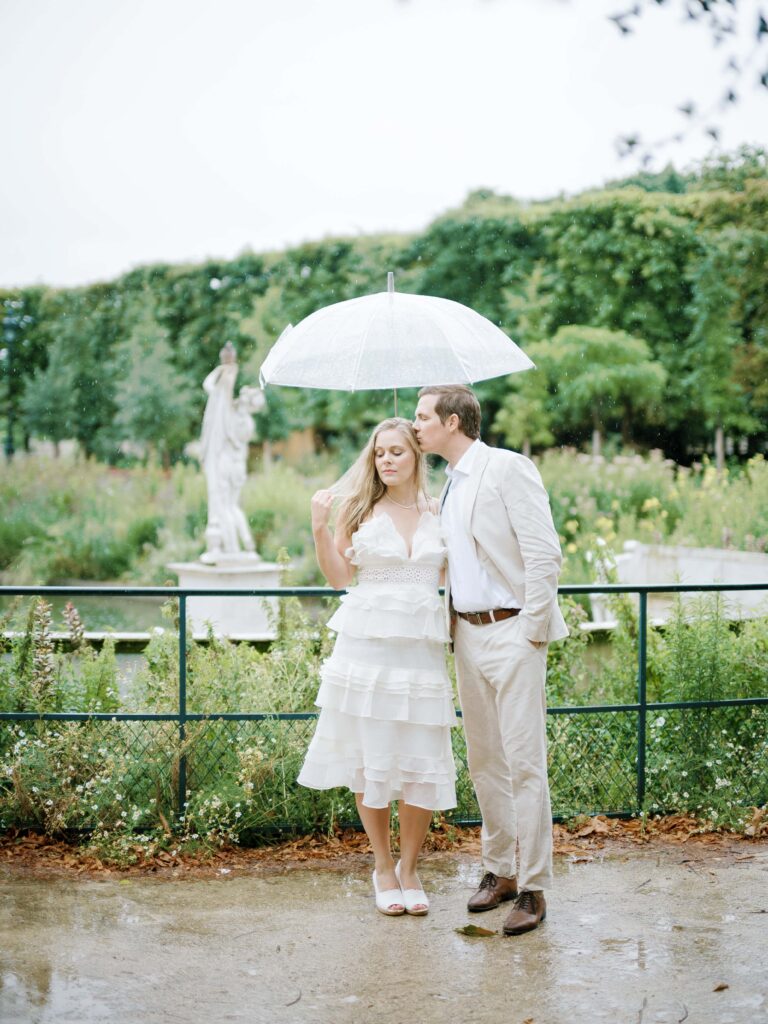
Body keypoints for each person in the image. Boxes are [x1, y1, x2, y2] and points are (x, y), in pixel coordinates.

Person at [413, 385, 567, 936]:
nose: (416, 426)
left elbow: (543, 552)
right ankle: (498, 871)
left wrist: (532, 629)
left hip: (514, 632)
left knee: (526, 763)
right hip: (468, 637)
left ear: (453, 422)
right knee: (485, 763)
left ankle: (533, 886)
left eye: (423, 417)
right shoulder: (450, 486)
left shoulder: (507, 469)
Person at [298, 417, 457, 916]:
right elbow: (339, 577)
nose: (386, 460)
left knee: (421, 761)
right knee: (373, 758)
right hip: (368, 650)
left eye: (396, 452)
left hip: (421, 652)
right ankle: (383, 866)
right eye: (379, 453)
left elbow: (454, 581)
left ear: (417, 456)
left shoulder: (439, 511)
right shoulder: (359, 511)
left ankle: (411, 869)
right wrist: (320, 529)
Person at [199, 342, 265, 563]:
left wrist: (225, 370)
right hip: (238, 468)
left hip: (227, 465)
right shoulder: (246, 422)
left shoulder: (230, 419)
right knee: (232, 506)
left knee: (223, 505)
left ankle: (233, 548)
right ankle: (247, 544)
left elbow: (210, 386)